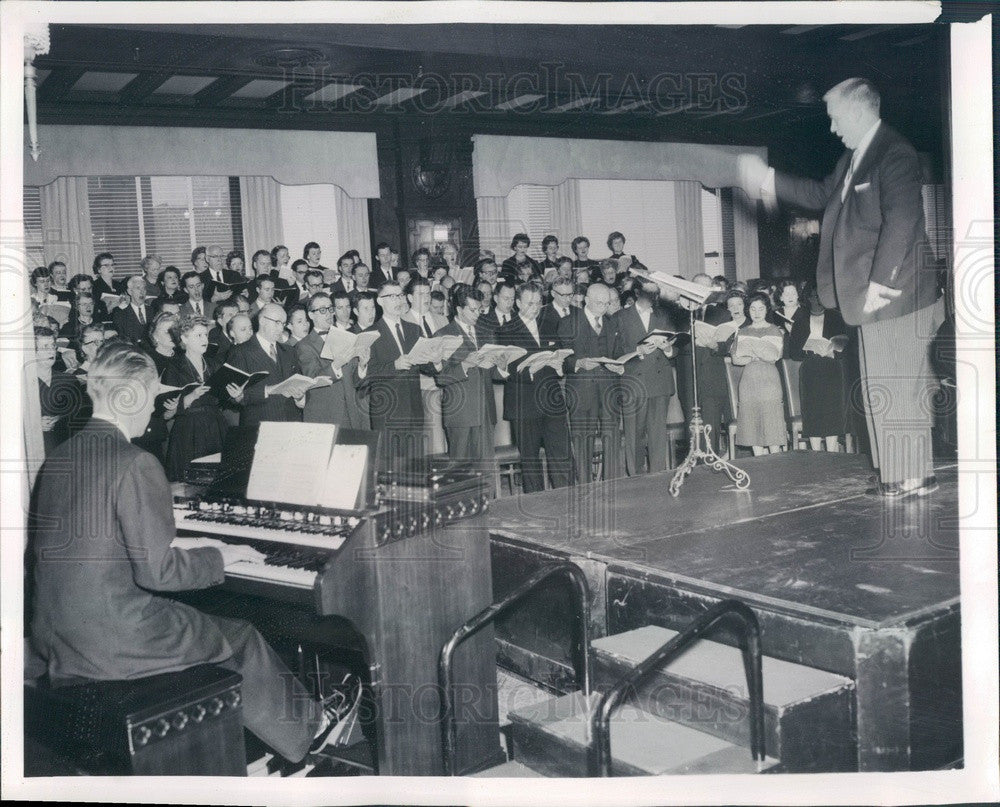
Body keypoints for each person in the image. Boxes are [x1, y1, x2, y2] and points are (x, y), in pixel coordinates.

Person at [27, 341, 360, 766]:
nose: (155, 406)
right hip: (114, 639)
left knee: (210, 619)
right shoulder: (134, 461)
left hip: (56, 635)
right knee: (242, 636)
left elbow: (104, 544)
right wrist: (222, 556)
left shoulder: (60, 457)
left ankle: (253, 744)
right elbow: (158, 572)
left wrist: (204, 544)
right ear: (133, 396)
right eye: (154, 394)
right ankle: (309, 735)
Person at [739, 77, 940, 497]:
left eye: (834, 118)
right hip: (872, 296)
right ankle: (903, 473)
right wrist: (767, 178)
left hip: (896, 292)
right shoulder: (853, 157)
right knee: (880, 383)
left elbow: (902, 219)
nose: (832, 128)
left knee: (896, 383)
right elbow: (818, 194)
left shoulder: (894, 153)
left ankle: (908, 475)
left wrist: (881, 283)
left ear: (858, 110)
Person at [497, 282, 572, 492]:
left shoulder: (549, 324)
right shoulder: (505, 331)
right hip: (524, 403)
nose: (535, 307)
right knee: (530, 463)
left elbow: (563, 359)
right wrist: (532, 368)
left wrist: (559, 366)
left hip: (552, 400)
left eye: (538, 303)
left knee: (562, 457)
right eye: (530, 303)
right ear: (518, 303)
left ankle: (568, 500)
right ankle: (537, 507)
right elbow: (508, 370)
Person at [434, 286, 505, 479]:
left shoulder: (486, 331)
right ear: (459, 309)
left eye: (479, 310)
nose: (477, 314)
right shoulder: (443, 335)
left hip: (485, 412)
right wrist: (464, 365)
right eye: (472, 310)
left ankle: (487, 508)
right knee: (460, 474)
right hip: (461, 413)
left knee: (486, 473)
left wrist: (501, 366)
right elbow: (441, 377)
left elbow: (494, 376)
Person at [557, 283, 625, 483]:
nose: (603, 308)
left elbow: (619, 353)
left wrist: (620, 366)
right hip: (581, 391)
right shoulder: (568, 322)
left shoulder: (612, 323)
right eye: (599, 303)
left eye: (607, 303)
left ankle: (613, 484)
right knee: (582, 441)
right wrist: (578, 363)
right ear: (586, 300)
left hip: (609, 390)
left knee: (611, 440)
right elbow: (561, 358)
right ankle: (585, 486)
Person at [613, 281, 678, 475]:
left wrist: (668, 349)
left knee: (658, 437)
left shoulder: (664, 315)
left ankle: (657, 478)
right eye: (649, 293)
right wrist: (637, 351)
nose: (654, 297)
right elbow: (613, 351)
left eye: (656, 293)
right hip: (634, 383)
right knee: (634, 436)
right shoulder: (620, 317)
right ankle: (636, 479)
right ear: (637, 292)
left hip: (659, 383)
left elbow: (675, 347)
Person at [362, 282, 429, 469]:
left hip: (414, 410)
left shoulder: (414, 329)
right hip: (387, 413)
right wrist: (394, 365)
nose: (398, 300)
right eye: (391, 296)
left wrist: (436, 359)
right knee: (389, 472)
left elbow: (427, 365)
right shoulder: (370, 334)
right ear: (379, 301)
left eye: (400, 295)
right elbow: (365, 374)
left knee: (415, 470)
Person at [162, 316, 235, 480]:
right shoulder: (174, 366)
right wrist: (192, 396)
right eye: (199, 335)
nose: (205, 339)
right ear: (184, 338)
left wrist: (233, 394)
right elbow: (169, 409)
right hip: (189, 430)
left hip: (216, 426)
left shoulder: (214, 364)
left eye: (206, 335)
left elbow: (223, 399)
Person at [788, 283, 851, 452]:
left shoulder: (837, 317)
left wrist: (834, 352)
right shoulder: (800, 320)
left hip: (832, 370)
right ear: (807, 299)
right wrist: (807, 349)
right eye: (814, 297)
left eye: (821, 297)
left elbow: (847, 344)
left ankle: (832, 452)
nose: (817, 300)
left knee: (832, 411)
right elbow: (793, 352)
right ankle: (815, 453)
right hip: (810, 370)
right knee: (812, 411)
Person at [296, 292, 370, 429]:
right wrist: (336, 365)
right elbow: (312, 380)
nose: (329, 314)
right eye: (322, 310)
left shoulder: (347, 337)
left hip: (352, 412)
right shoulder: (304, 346)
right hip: (326, 415)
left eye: (330, 309)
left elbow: (356, 380)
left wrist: (362, 365)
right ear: (311, 315)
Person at [225, 303, 306, 426]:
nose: (281, 329)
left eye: (283, 324)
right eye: (277, 322)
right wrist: (266, 391)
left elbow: (299, 383)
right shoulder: (240, 352)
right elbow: (232, 397)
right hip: (260, 426)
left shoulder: (289, 351)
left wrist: (300, 397)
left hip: (291, 423)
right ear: (262, 320)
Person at [730, 293, 787, 455]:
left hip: (769, 380)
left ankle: (776, 463)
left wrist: (753, 352)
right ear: (748, 310)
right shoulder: (742, 331)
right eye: (753, 309)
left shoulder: (775, 330)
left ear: (766, 310)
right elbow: (736, 359)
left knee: (771, 424)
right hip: (749, 381)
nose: (757, 312)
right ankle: (758, 463)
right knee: (752, 425)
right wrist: (756, 354)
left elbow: (773, 356)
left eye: (761, 308)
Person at [33, 326, 87, 454]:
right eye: (45, 347)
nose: (51, 351)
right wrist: (35, 424)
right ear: (32, 351)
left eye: (52, 346)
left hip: (66, 449)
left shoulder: (68, 381)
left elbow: (81, 417)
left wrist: (60, 418)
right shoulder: (23, 385)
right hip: (35, 450)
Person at [112, 274, 155, 344]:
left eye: (144, 288)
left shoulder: (153, 311)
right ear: (130, 291)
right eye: (138, 288)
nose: (142, 292)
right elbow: (121, 340)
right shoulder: (120, 314)